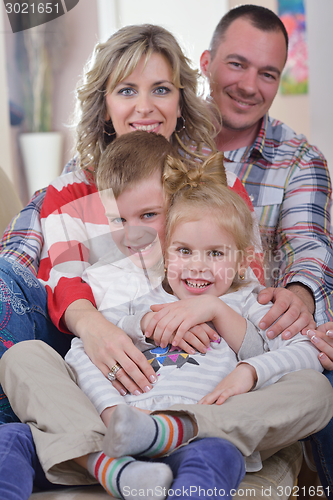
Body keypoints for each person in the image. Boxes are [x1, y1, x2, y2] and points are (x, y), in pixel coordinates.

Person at [0, 131, 324, 499]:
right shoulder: (139, 292)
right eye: (184, 250)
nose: (198, 266)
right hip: (117, 430)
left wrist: (241, 355)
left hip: (199, 433)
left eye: (215, 254)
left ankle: (158, 437)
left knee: (316, 391)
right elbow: (85, 347)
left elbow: (304, 353)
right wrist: (137, 328)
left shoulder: (250, 299)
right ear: (170, 248)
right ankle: (112, 464)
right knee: (20, 368)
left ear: (239, 258)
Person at [199, 4, 333, 338]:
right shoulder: (159, 132)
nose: (249, 86)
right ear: (206, 63)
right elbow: (62, 198)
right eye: (237, 64)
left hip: (250, 336)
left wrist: (299, 295)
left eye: (267, 74)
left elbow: (308, 248)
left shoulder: (300, 161)